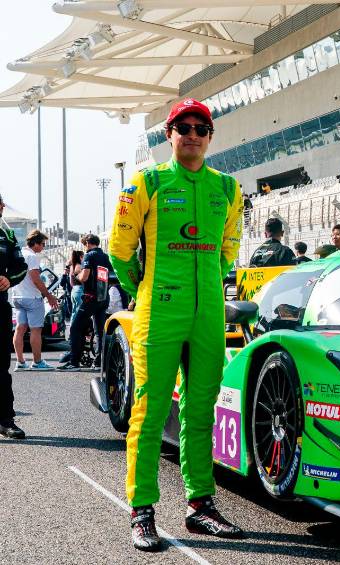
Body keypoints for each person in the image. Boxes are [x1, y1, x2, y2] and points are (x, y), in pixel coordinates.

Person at [108, 98, 245, 551]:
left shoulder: (227, 187)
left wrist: (211, 283)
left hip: (208, 315)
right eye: (182, 126)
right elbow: (119, 251)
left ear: (210, 136)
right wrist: (145, 288)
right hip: (159, 312)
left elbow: (230, 246)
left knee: (201, 411)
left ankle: (200, 506)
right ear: (169, 135)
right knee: (147, 415)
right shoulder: (146, 181)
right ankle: (142, 510)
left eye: (200, 127)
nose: (191, 133)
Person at [58, 234, 112, 370]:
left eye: (84, 244)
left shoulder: (89, 255)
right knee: (100, 331)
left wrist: (77, 276)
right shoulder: (105, 256)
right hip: (104, 297)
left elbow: (85, 276)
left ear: (88, 243)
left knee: (75, 327)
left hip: (91, 297)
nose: (84, 247)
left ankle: (74, 362)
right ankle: (100, 361)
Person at [0, 194, 29, 439]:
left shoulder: (8, 236)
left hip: (0, 307)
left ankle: (6, 420)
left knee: (1, 367)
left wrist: (9, 279)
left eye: (0, 205)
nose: (0, 209)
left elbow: (21, 267)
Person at [11, 230, 57, 371]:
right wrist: (49, 296)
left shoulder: (17, 254)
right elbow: (36, 279)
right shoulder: (32, 257)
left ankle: (20, 362)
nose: (43, 247)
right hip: (32, 297)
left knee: (20, 329)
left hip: (17, 296)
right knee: (36, 330)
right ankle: (37, 362)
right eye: (42, 244)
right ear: (35, 243)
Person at [68, 249, 85, 325]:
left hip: (74, 290)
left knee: (74, 312)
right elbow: (82, 279)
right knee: (80, 313)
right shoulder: (79, 266)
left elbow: (71, 282)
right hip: (80, 290)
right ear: (81, 257)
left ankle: (72, 330)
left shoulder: (72, 266)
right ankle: (77, 331)